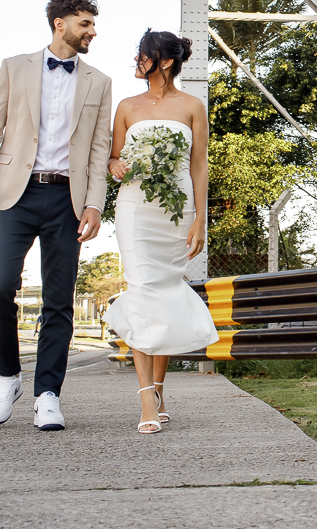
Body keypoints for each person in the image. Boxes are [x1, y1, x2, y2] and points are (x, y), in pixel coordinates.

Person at [0, 0, 113, 430]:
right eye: (85, 23)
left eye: (93, 24)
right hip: (17, 193)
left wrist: (94, 203)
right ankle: (7, 376)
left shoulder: (100, 82)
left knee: (58, 300)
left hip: (68, 198)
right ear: (59, 23)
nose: (92, 32)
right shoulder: (15, 67)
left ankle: (47, 394)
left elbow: (99, 148)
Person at [103, 29, 216, 434]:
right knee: (142, 292)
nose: (138, 60)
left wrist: (200, 218)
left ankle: (160, 387)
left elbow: (199, 165)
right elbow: (113, 157)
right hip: (135, 209)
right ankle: (146, 398)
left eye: (144, 54)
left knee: (164, 293)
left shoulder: (192, 106)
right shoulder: (126, 106)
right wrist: (115, 165)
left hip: (177, 211)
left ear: (165, 61)